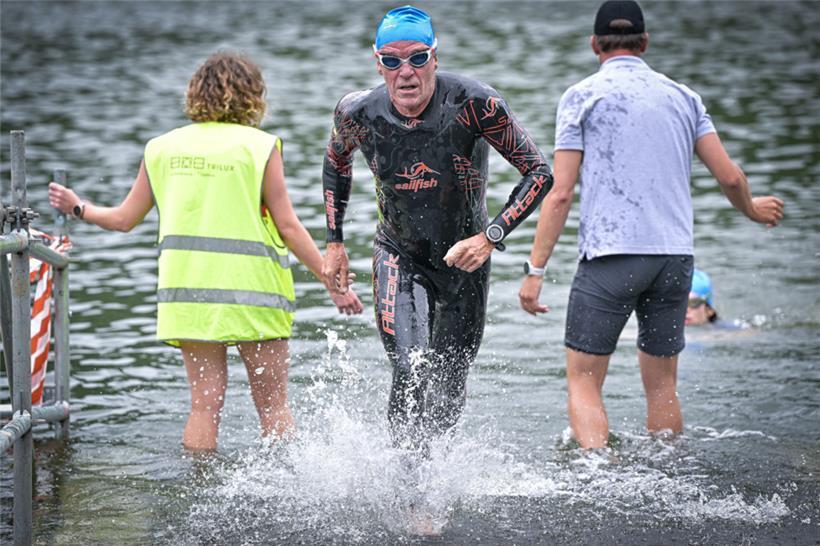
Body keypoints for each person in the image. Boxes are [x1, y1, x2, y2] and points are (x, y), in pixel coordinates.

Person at [48, 52, 363, 451]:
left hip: (188, 296)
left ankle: (199, 493)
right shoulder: (259, 146)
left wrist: (77, 206)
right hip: (255, 294)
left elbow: (124, 219)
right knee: (272, 408)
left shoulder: (161, 148)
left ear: (196, 93)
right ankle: (287, 493)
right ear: (252, 95)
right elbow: (287, 225)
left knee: (203, 406)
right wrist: (330, 280)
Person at [518, 0, 784, 449]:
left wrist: (535, 271)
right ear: (644, 43)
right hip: (674, 259)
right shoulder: (684, 97)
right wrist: (752, 211)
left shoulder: (581, 96)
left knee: (584, 382)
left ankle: (600, 478)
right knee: (662, 387)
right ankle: (669, 472)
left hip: (611, 257)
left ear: (593, 45)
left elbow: (560, 193)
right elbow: (731, 177)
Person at [321, 5, 553, 452]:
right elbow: (336, 162)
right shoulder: (357, 113)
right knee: (411, 367)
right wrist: (335, 244)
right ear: (378, 63)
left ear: (435, 58)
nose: (405, 73)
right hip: (398, 252)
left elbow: (538, 173)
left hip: (464, 259)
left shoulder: (475, 104)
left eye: (417, 58)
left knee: (449, 381)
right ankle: (411, 489)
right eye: (392, 61)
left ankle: (434, 470)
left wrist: (491, 237)